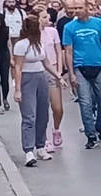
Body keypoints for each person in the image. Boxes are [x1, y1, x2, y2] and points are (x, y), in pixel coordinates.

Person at [13, 16, 63, 167]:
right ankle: (29, 150)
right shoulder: (21, 45)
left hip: (41, 77)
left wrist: (58, 76)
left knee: (43, 113)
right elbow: (18, 67)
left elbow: (46, 62)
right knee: (29, 115)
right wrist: (18, 89)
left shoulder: (39, 44)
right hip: (28, 78)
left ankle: (40, 146)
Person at [64, 0, 101, 149]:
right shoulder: (69, 27)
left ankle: (99, 126)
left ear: (87, 7)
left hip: (99, 66)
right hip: (80, 67)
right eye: (74, 8)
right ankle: (90, 135)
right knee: (85, 103)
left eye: (79, 7)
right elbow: (68, 51)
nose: (76, 11)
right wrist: (71, 73)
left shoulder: (99, 23)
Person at [39, 11, 65, 151]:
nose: (48, 19)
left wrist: (59, 70)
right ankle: (44, 138)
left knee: (57, 108)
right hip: (39, 70)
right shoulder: (32, 34)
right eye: (44, 17)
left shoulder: (53, 31)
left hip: (53, 69)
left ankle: (56, 128)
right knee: (42, 108)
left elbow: (58, 50)